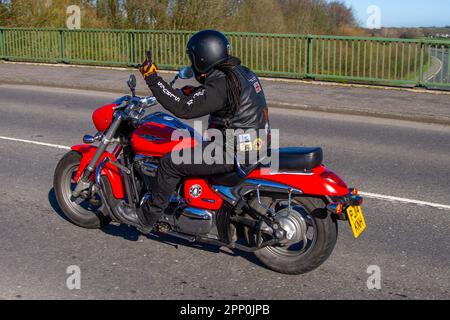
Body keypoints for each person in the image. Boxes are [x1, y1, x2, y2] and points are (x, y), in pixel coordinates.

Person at [119, 29, 270, 233]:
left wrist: (152, 78)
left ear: (202, 56)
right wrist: (197, 92)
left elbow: (185, 108)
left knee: (170, 163)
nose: (192, 63)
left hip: (232, 151)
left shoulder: (221, 83)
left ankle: (146, 217)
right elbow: (221, 99)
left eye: (192, 58)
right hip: (253, 144)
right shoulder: (240, 73)